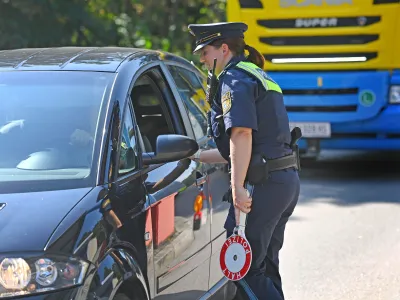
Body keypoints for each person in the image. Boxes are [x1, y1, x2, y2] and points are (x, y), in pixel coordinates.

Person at [187, 22, 301, 300]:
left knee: (243, 269)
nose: (201, 59)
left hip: (261, 185)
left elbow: (241, 134)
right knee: (264, 267)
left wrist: (237, 187)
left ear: (223, 49)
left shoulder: (233, 79)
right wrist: (195, 154)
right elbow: (243, 146)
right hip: (284, 181)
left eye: (205, 51)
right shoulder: (256, 73)